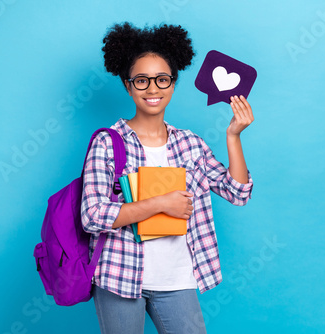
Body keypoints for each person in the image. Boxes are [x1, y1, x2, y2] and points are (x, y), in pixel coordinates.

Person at [80, 22, 254, 334]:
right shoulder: (107, 143)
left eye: (162, 79)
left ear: (173, 83)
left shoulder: (190, 144)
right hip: (120, 275)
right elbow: (92, 217)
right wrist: (160, 203)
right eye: (142, 80)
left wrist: (233, 136)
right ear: (127, 84)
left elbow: (238, 193)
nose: (152, 89)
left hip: (178, 278)